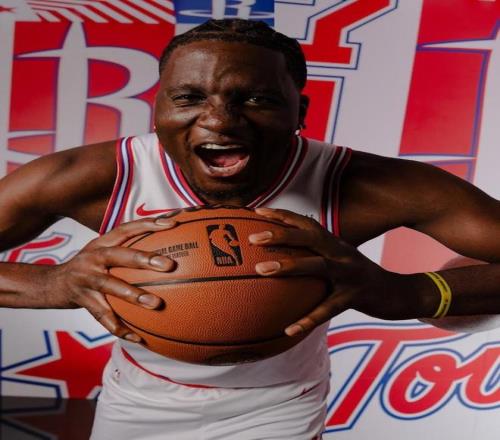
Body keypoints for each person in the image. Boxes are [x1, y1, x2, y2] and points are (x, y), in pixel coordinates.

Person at [0, 18, 499, 439]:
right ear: (158, 109)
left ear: (300, 112)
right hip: (136, 398)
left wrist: (408, 293)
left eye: (257, 99)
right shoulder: (97, 176)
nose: (219, 121)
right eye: (188, 97)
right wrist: (53, 283)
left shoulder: (365, 185)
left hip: (281, 404)